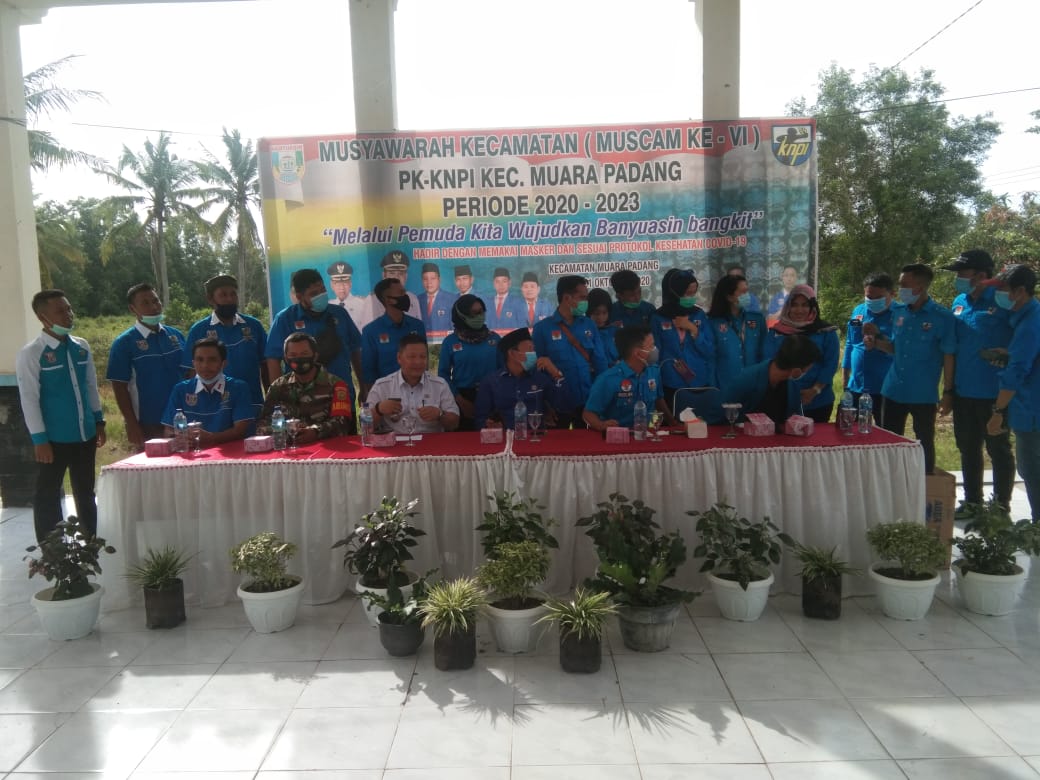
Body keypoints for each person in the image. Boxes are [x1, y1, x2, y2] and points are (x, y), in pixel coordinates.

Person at [16, 290, 105, 542]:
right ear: (43, 317)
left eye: (68, 309)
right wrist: (40, 440)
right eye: (60, 311)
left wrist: (99, 421)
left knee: (85, 491)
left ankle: (91, 542)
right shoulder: (32, 353)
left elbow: (90, 387)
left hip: (85, 433)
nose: (68, 315)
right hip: (54, 439)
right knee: (48, 494)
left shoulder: (81, 347)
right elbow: (29, 399)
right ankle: (52, 549)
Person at [944, 249, 1015, 516]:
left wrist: (1009, 355)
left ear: (982, 275)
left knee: (999, 450)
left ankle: (1000, 507)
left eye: (962, 273)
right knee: (968, 448)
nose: (958, 278)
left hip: (995, 393)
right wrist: (949, 390)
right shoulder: (959, 302)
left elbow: (1023, 341)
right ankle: (972, 502)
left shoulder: (1003, 301)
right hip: (964, 391)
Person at [870, 263, 956, 475]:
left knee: (923, 442)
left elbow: (948, 356)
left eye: (904, 285)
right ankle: (890, 482)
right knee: (889, 442)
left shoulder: (942, 317)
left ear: (920, 287)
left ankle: (925, 485)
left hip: (922, 392)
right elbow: (895, 348)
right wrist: (877, 342)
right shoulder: (898, 312)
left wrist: (948, 392)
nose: (900, 290)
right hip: (893, 389)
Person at [266, 267, 363, 429]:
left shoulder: (339, 314)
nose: (321, 295)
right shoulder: (285, 319)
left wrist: (363, 387)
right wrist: (279, 397)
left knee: (346, 442)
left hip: (340, 397)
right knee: (304, 442)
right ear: (299, 297)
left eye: (322, 290)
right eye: (313, 293)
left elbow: (355, 351)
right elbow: (273, 359)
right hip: (300, 404)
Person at [984, 265, 1040, 521]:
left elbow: (1017, 372)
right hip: (1030, 406)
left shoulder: (1030, 324)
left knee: (1031, 468)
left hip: (1033, 411)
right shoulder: (1029, 317)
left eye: (1003, 290)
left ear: (1019, 292)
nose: (998, 295)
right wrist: (1010, 354)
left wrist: (997, 411)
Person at [107, 283, 187, 450]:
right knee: (155, 465)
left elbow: (189, 374)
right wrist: (131, 423)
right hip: (149, 422)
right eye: (145, 303)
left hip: (181, 417)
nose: (154, 306)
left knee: (186, 461)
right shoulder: (124, 343)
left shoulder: (175, 335)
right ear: (132, 309)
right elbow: (119, 387)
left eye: (156, 301)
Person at [182, 274, 268, 416]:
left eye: (233, 294)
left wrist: (270, 402)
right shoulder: (199, 330)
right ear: (211, 299)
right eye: (223, 295)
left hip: (252, 403)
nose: (229, 299)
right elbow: (191, 373)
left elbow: (265, 365)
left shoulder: (254, 326)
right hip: (214, 409)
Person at [532, 275, 609, 428]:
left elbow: (600, 362)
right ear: (567, 298)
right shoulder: (542, 329)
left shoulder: (589, 325)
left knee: (590, 442)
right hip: (557, 404)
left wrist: (602, 395)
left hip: (588, 401)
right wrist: (544, 405)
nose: (586, 302)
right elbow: (538, 370)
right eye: (582, 298)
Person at [762, 285, 839, 423]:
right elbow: (768, 362)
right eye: (795, 305)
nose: (799, 310)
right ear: (788, 307)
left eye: (804, 305)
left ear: (812, 307)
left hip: (818, 401)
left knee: (818, 437)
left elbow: (830, 364)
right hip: (781, 401)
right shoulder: (775, 333)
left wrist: (814, 391)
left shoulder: (826, 332)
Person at [260, 333, 353, 443]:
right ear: (286, 358)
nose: (299, 359)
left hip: (327, 448)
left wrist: (316, 431)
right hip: (289, 448)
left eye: (304, 354)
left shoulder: (336, 385)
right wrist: (288, 431)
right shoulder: (278, 387)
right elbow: (263, 425)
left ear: (315, 356)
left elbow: (342, 423)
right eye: (293, 355)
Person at [162, 337, 255, 444]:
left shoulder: (238, 388)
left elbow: (240, 430)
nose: (205, 365)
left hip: (230, 452)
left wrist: (212, 438)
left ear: (223, 363)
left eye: (212, 360)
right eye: (200, 360)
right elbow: (168, 430)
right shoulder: (180, 389)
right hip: (192, 452)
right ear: (193, 363)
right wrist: (181, 438)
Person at [584, 326, 676, 431]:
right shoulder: (608, 379)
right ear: (637, 353)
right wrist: (601, 425)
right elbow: (588, 414)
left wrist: (672, 422)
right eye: (651, 346)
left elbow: (658, 400)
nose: (655, 349)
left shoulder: (654, 371)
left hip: (646, 434)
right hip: (619, 435)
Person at [366, 334, 460, 434]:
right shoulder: (382, 386)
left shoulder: (440, 385)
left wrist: (440, 414)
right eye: (412, 357)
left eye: (423, 357)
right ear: (399, 358)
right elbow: (365, 425)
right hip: (394, 441)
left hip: (431, 441)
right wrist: (378, 409)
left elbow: (454, 423)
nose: (418, 362)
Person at [724, 334, 823, 427]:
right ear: (796, 371)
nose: (806, 373)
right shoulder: (746, 380)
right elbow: (721, 418)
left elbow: (796, 420)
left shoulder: (792, 385)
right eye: (807, 369)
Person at [474, 327, 562, 429]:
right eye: (529, 349)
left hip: (536, 435)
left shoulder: (540, 378)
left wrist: (556, 373)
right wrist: (489, 425)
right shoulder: (491, 382)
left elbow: (564, 405)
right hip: (506, 436)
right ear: (512, 353)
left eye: (534, 349)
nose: (534, 354)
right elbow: (480, 419)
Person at [653, 268, 716, 408]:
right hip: (670, 381)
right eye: (688, 293)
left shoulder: (698, 315)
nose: (692, 297)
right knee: (675, 419)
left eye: (694, 293)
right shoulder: (658, 318)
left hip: (698, 379)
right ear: (674, 293)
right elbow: (655, 354)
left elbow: (709, 350)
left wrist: (693, 329)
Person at [438, 294, 501, 430]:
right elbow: (443, 375)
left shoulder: (495, 339)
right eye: (474, 313)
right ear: (461, 316)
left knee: (492, 439)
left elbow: (504, 371)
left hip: (493, 397)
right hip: (462, 398)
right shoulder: (450, 341)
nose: (480, 316)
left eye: (481, 311)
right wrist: (459, 400)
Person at [842, 272, 896, 427]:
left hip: (884, 387)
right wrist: (845, 377)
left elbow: (900, 349)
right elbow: (850, 343)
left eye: (878, 298)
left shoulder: (900, 314)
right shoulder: (858, 311)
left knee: (886, 431)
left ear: (892, 294)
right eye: (869, 297)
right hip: (856, 384)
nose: (872, 301)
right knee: (849, 429)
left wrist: (878, 335)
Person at [361, 277, 427, 396]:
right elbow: (369, 372)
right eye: (401, 293)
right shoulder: (371, 331)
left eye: (404, 292)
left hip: (417, 393)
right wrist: (375, 400)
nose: (405, 296)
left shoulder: (417, 326)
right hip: (387, 395)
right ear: (389, 300)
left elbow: (424, 363)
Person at [708, 273, 766, 391]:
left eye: (747, 291)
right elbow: (711, 359)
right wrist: (713, 389)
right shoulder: (713, 323)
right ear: (729, 297)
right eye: (743, 292)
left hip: (754, 384)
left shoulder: (757, 319)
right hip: (726, 386)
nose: (747, 295)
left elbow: (764, 354)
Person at [366, 250, 420, 322]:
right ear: (384, 276)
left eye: (401, 273)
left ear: (406, 276)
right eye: (392, 273)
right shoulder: (371, 301)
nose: (396, 277)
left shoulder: (413, 299)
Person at [417, 262, 458, 337]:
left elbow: (455, 328)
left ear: (439, 279)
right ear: (422, 281)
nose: (429, 282)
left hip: (444, 341)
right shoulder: (417, 300)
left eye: (433, 278)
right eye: (425, 279)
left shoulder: (452, 299)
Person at [327, 261, 370, 330]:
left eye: (345, 283)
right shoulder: (328, 307)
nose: (342, 288)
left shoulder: (363, 304)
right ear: (332, 285)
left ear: (350, 284)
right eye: (337, 283)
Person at [486, 266, 526, 334]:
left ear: (509, 283)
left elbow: (523, 327)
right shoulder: (487, 302)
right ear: (494, 284)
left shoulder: (518, 302)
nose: (501, 285)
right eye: (497, 281)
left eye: (504, 281)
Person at [587, 288, 620, 365]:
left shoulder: (615, 330)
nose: (600, 318)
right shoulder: (585, 332)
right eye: (596, 313)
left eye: (604, 313)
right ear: (589, 312)